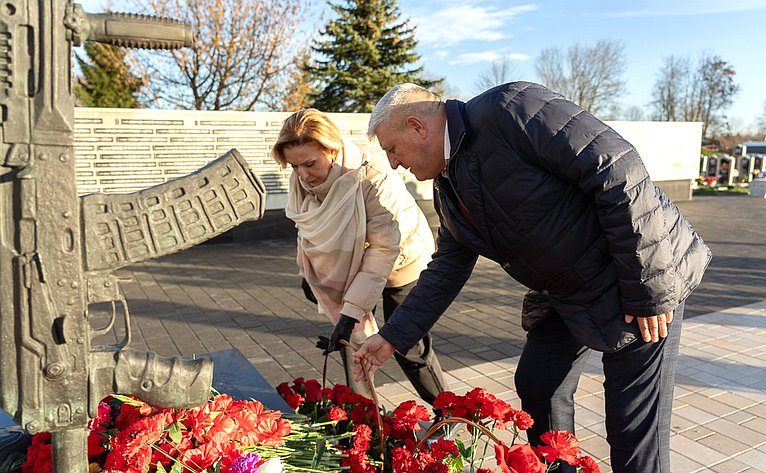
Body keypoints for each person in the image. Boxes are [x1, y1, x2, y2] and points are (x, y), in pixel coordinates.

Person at [353, 82, 711, 473]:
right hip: (566, 292)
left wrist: (650, 289)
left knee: (632, 429)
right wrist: (392, 336)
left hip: (637, 275)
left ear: (417, 127)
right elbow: (446, 269)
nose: (392, 163)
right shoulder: (448, 185)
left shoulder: (510, 109)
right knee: (540, 385)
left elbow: (616, 167)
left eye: (392, 149)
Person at [271, 108, 447, 404]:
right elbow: (306, 229)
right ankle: (365, 418)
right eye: (294, 166)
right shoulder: (302, 181)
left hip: (402, 260)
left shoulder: (370, 175)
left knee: (406, 343)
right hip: (355, 266)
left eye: (310, 164)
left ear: (333, 148)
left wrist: (351, 311)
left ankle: (447, 410)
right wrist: (307, 272)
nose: (302, 175)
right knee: (352, 342)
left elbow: (382, 248)